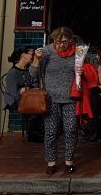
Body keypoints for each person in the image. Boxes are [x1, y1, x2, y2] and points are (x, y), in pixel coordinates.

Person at [30, 27, 80, 175]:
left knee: (71, 129)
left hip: (71, 98)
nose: (61, 45)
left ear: (70, 41)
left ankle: (69, 161)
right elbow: (33, 74)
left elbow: (86, 69)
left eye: (65, 42)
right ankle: (51, 162)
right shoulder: (46, 52)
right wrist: (37, 59)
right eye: (58, 42)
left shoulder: (77, 52)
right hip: (51, 98)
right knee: (51, 132)